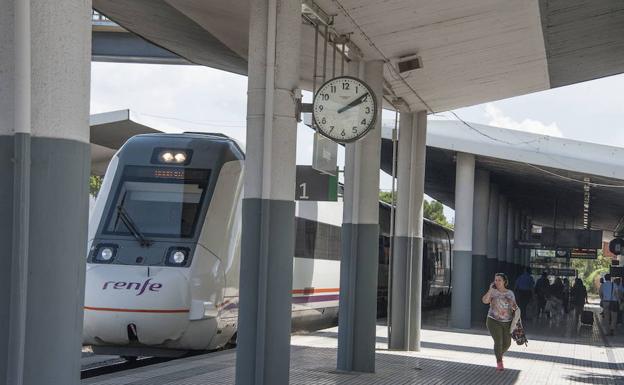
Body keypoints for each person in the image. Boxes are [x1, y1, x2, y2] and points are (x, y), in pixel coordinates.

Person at [482, 272, 517, 371]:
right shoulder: (493, 292)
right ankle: (499, 362)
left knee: (507, 344)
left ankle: (498, 355)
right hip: (493, 320)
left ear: (504, 282)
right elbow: (484, 301)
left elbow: (514, 307)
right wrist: (490, 290)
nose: (497, 282)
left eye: (499, 280)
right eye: (495, 280)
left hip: (507, 322)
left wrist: (511, 303)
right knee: (498, 341)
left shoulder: (510, 293)